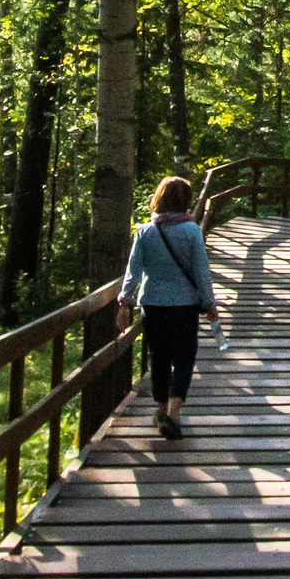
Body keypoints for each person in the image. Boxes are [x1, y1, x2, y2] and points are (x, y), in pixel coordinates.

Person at [116, 175, 218, 438]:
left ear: (160, 198)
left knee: (159, 358)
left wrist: (125, 301)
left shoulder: (145, 231)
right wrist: (209, 303)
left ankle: (161, 409)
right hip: (184, 305)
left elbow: (133, 270)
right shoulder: (192, 231)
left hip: (153, 305)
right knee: (184, 359)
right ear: (185, 200)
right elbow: (201, 271)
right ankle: (172, 414)